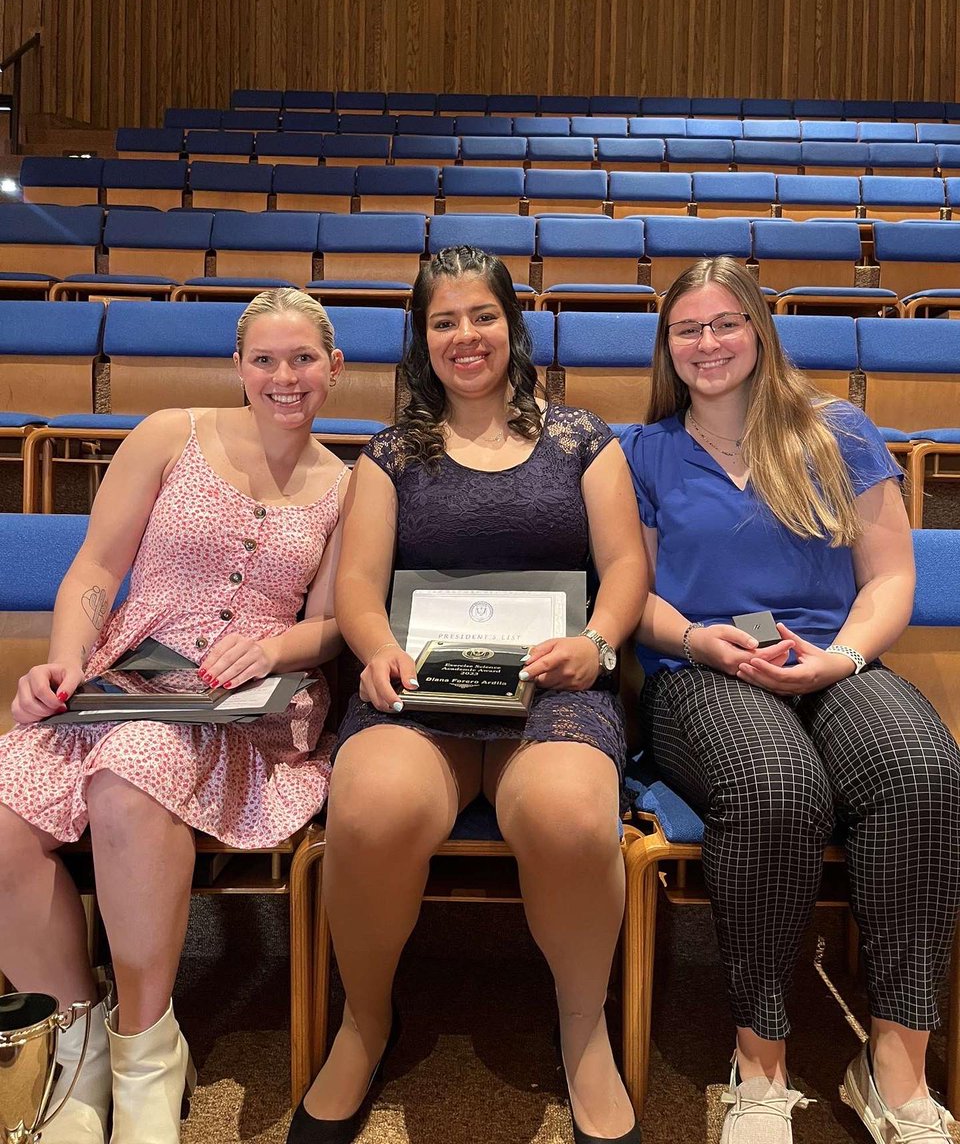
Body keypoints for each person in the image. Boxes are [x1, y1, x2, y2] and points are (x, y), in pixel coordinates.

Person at [288, 245, 648, 1144]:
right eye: (442, 320)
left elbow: (627, 566)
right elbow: (361, 589)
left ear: (512, 326)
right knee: (369, 809)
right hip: (422, 691)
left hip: (555, 689)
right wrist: (371, 651)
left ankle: (584, 1026)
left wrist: (598, 642)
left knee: (568, 817)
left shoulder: (583, 440)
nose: (465, 336)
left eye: (481, 315)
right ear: (422, 338)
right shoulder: (388, 455)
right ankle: (366, 1020)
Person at [620, 256, 960, 1144]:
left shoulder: (836, 430)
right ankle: (760, 1062)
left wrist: (841, 657)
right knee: (776, 785)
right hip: (700, 670)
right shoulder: (643, 450)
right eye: (687, 328)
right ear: (667, 346)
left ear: (759, 332)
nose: (707, 343)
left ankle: (895, 1069)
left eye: (725, 323)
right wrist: (696, 639)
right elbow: (631, 593)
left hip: (830, 660)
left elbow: (889, 576)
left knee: (922, 769)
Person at [0, 288, 348, 1144]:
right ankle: (76, 1040)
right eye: (264, 359)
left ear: (335, 368)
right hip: (132, 669)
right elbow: (95, 564)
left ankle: (144, 1051)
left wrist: (273, 650)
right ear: (238, 368)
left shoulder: (349, 484)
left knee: (132, 772)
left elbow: (338, 622)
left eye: (302, 358)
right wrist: (68, 661)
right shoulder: (168, 434)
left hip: (249, 705)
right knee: (3, 812)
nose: (283, 376)